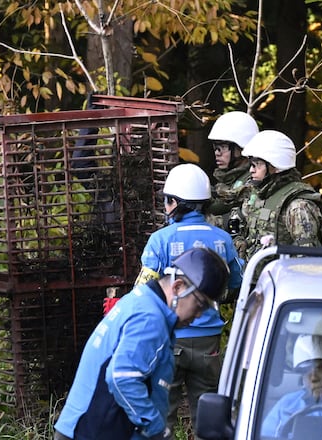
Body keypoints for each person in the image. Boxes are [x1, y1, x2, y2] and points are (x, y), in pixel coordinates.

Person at [53, 247, 230, 440]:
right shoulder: (150, 318)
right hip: (93, 430)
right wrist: (157, 430)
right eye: (199, 305)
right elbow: (123, 378)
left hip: (87, 426)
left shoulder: (142, 301)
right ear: (178, 287)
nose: (198, 316)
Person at [132, 163, 243, 437]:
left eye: (167, 200)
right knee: (208, 414)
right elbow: (236, 284)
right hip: (210, 342)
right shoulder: (223, 239)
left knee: (163, 410)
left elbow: (143, 290)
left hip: (171, 339)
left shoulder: (160, 240)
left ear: (176, 203)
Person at [239, 130, 322, 262]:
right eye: (251, 164)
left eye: (257, 164)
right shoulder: (258, 194)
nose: (251, 170)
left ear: (275, 166)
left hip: (280, 280)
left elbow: (307, 259)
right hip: (253, 278)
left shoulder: (298, 206)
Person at [204, 111, 258, 236]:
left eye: (223, 147)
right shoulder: (231, 177)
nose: (217, 153)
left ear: (241, 148)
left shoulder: (252, 180)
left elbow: (230, 216)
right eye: (215, 147)